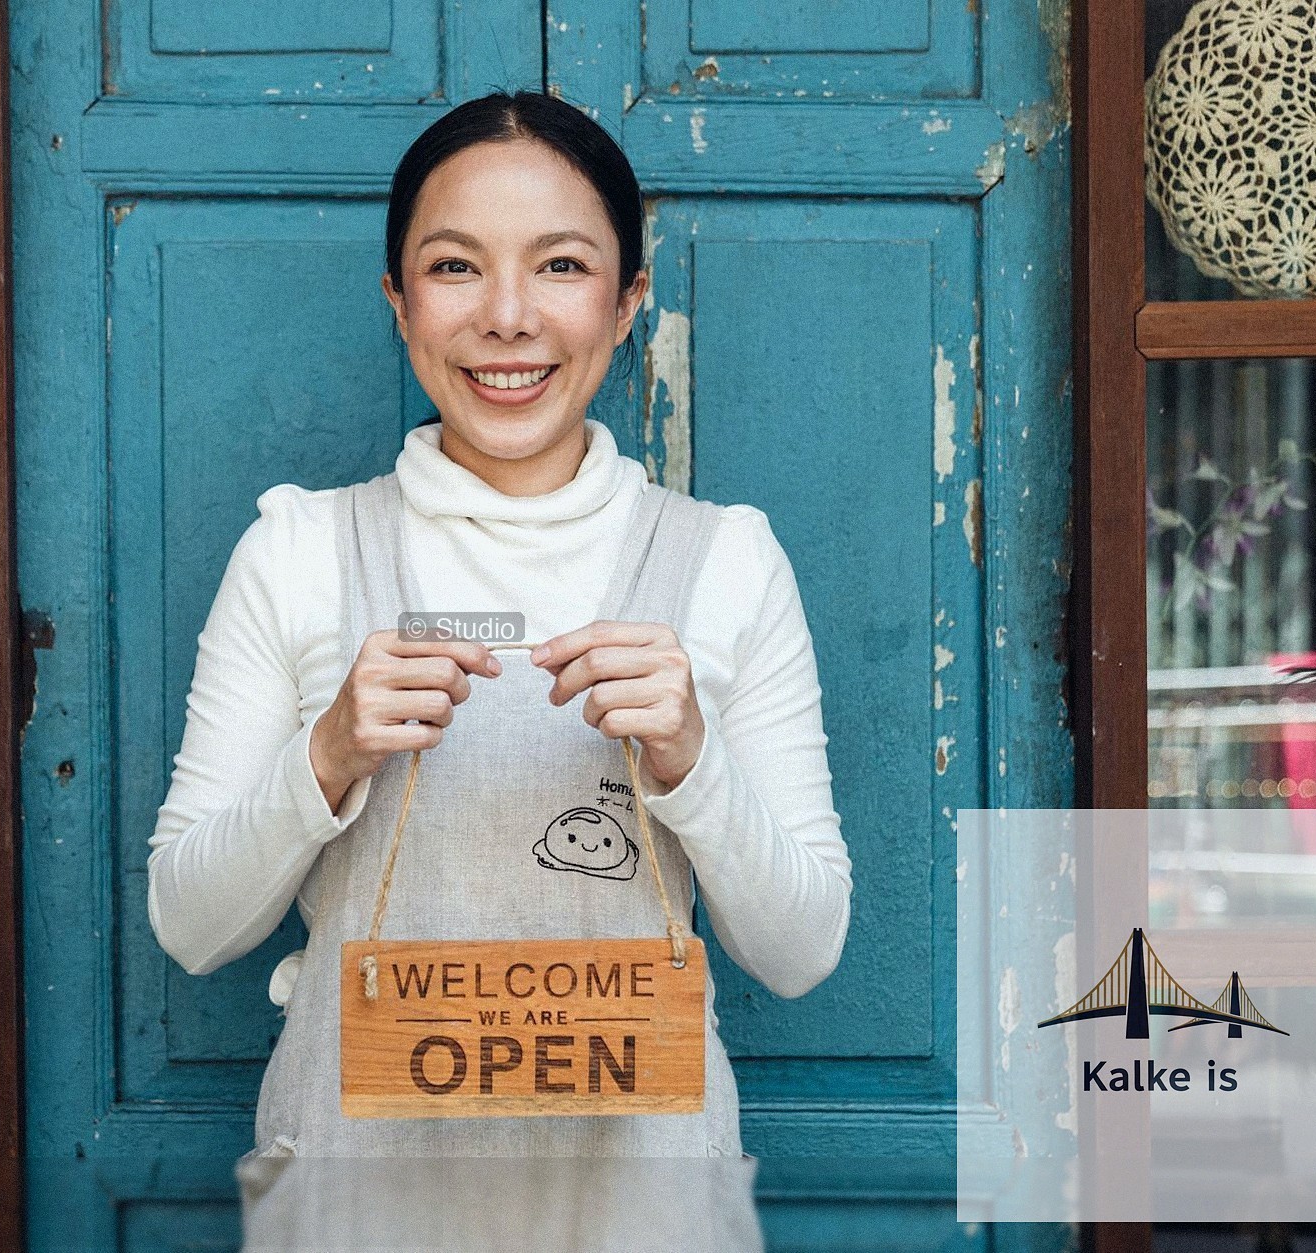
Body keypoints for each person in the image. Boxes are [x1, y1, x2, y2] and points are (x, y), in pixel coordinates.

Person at [147, 90, 853, 1252]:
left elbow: (802, 947)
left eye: (563, 265)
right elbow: (190, 924)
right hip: (359, 1207)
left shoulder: (724, 558)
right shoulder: (299, 550)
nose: (508, 316)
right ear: (398, 301)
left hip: (642, 1209)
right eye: (455, 267)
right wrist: (324, 756)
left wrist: (689, 760)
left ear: (627, 302)